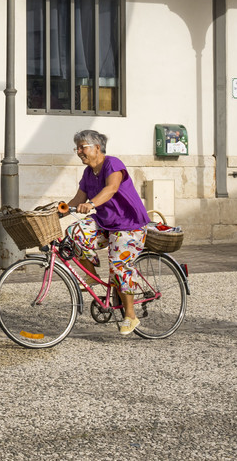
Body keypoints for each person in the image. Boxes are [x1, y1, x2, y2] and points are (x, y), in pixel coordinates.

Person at [68, 128, 150, 335]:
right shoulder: (88, 173)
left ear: (97, 147)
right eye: (77, 148)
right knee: (75, 232)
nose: (79, 151)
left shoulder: (113, 163)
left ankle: (130, 316)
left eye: (82, 147)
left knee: (119, 265)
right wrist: (57, 210)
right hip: (105, 224)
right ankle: (93, 276)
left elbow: (111, 189)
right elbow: (78, 199)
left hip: (128, 225)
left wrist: (92, 204)